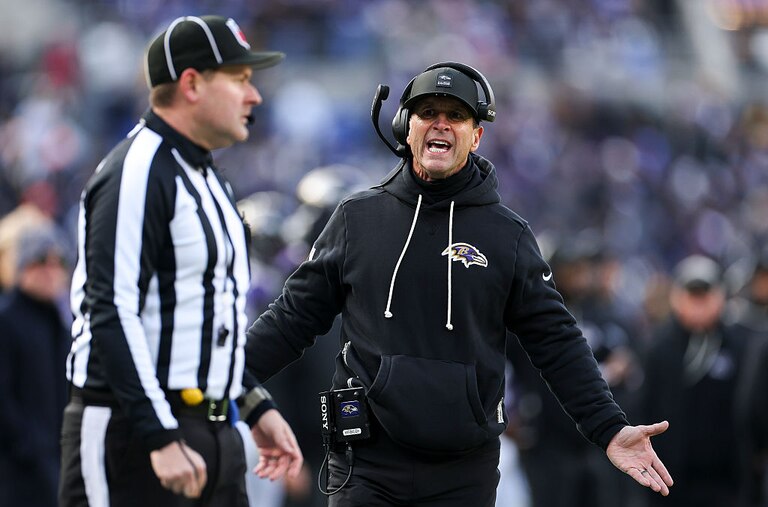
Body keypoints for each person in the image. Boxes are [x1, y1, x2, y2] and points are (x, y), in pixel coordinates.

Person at [245, 62, 673, 506]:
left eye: (456, 116)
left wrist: (609, 428)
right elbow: (292, 320)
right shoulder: (357, 218)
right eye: (428, 112)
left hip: (462, 471)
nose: (441, 124)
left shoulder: (507, 236)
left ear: (476, 135)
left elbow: (556, 341)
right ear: (406, 128)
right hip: (366, 464)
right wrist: (225, 379)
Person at [59, 15, 303, 507]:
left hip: (211, 429)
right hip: (137, 433)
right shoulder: (138, 170)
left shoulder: (208, 177)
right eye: (239, 80)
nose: (253, 96)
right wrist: (158, 434)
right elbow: (109, 310)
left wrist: (253, 405)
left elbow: (209, 316)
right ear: (191, 84)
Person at [640, 254, 747, 506]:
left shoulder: (738, 344)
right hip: (671, 478)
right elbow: (644, 406)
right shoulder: (658, 347)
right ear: (676, 297)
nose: (699, 304)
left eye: (705, 295)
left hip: (727, 478)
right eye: (692, 295)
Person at [0, 225, 71, 507]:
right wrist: (28, 446)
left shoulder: (60, 322)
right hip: (18, 472)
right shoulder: (7, 320)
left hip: (55, 462)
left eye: (58, 262)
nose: (50, 270)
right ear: (23, 267)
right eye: (41, 260)